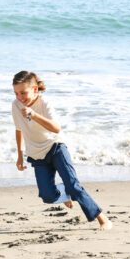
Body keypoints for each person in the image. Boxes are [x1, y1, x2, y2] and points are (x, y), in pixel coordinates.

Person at [11, 70, 112, 230]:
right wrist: (19, 155)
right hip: (37, 155)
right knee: (47, 196)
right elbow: (19, 129)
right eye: (16, 93)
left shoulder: (44, 103)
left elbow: (56, 128)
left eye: (23, 93)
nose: (20, 97)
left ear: (35, 89)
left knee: (74, 185)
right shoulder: (16, 105)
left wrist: (34, 115)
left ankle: (102, 219)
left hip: (56, 147)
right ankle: (65, 193)